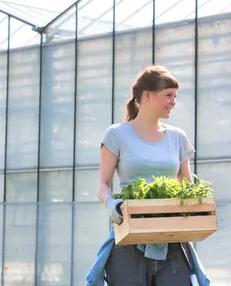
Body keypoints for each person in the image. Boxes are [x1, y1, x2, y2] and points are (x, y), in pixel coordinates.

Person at [85, 65, 210, 286]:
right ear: (147, 95)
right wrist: (112, 204)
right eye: (168, 95)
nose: (173, 101)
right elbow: (103, 185)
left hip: (170, 238)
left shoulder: (177, 137)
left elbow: (187, 185)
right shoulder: (117, 134)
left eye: (175, 96)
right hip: (129, 234)